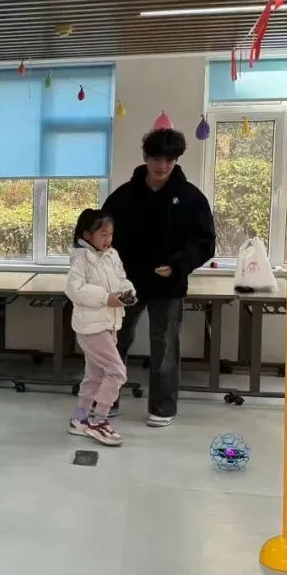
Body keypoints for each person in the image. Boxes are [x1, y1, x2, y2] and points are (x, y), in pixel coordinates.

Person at [102, 127, 215, 427]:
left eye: (169, 160)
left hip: (168, 284)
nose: (162, 166)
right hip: (125, 283)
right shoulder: (123, 196)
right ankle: (106, 401)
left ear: (176, 160)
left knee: (165, 346)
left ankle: (162, 408)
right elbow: (102, 236)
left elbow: (205, 241)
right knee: (114, 341)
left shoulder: (191, 198)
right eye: (156, 158)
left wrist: (178, 264)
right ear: (145, 157)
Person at [65, 209, 134, 447]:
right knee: (117, 372)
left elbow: (122, 279)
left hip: (110, 323)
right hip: (91, 327)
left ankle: (79, 419)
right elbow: (74, 290)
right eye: (103, 234)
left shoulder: (112, 254)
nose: (108, 239)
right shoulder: (81, 257)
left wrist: (128, 292)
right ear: (87, 234)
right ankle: (99, 420)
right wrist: (106, 298)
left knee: (95, 376)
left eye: (110, 234)